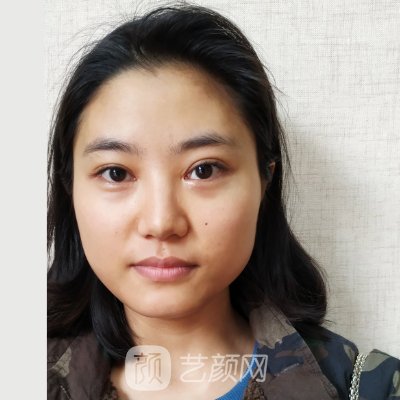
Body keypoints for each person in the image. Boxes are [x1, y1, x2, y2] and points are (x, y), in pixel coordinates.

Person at [47, 4, 400, 400]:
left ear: (264, 179)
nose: (161, 222)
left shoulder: (369, 388)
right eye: (116, 173)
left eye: (204, 170)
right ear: (70, 188)